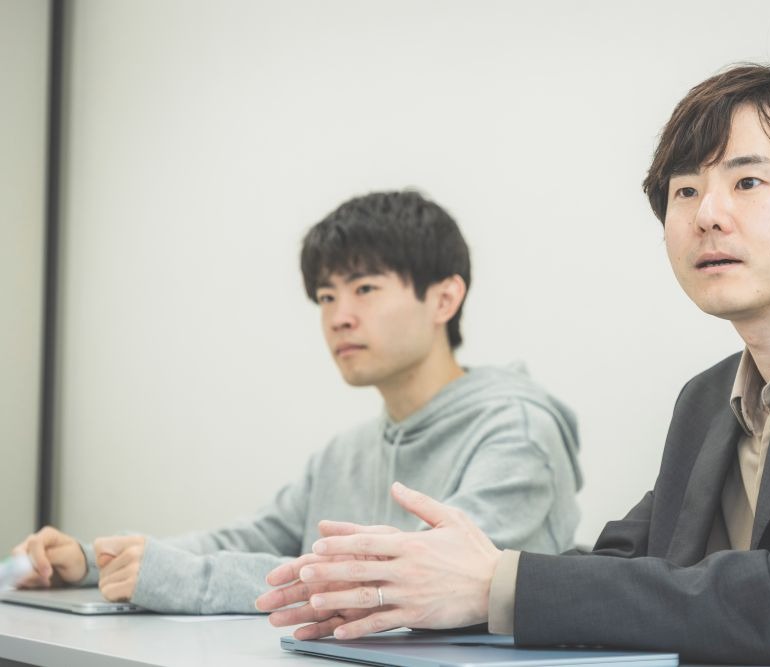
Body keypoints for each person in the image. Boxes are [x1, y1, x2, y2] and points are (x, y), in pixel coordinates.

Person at [257, 65, 770, 666]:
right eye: (685, 191)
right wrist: (416, 584)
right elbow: (628, 564)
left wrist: (495, 583)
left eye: (746, 182)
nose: (707, 214)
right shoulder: (709, 397)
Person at [12, 190, 583, 614]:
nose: (339, 317)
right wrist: (95, 561)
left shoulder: (518, 431)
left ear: (444, 299)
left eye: (364, 289)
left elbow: (410, 582)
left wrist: (184, 579)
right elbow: (247, 540)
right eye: (326, 296)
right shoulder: (345, 452)